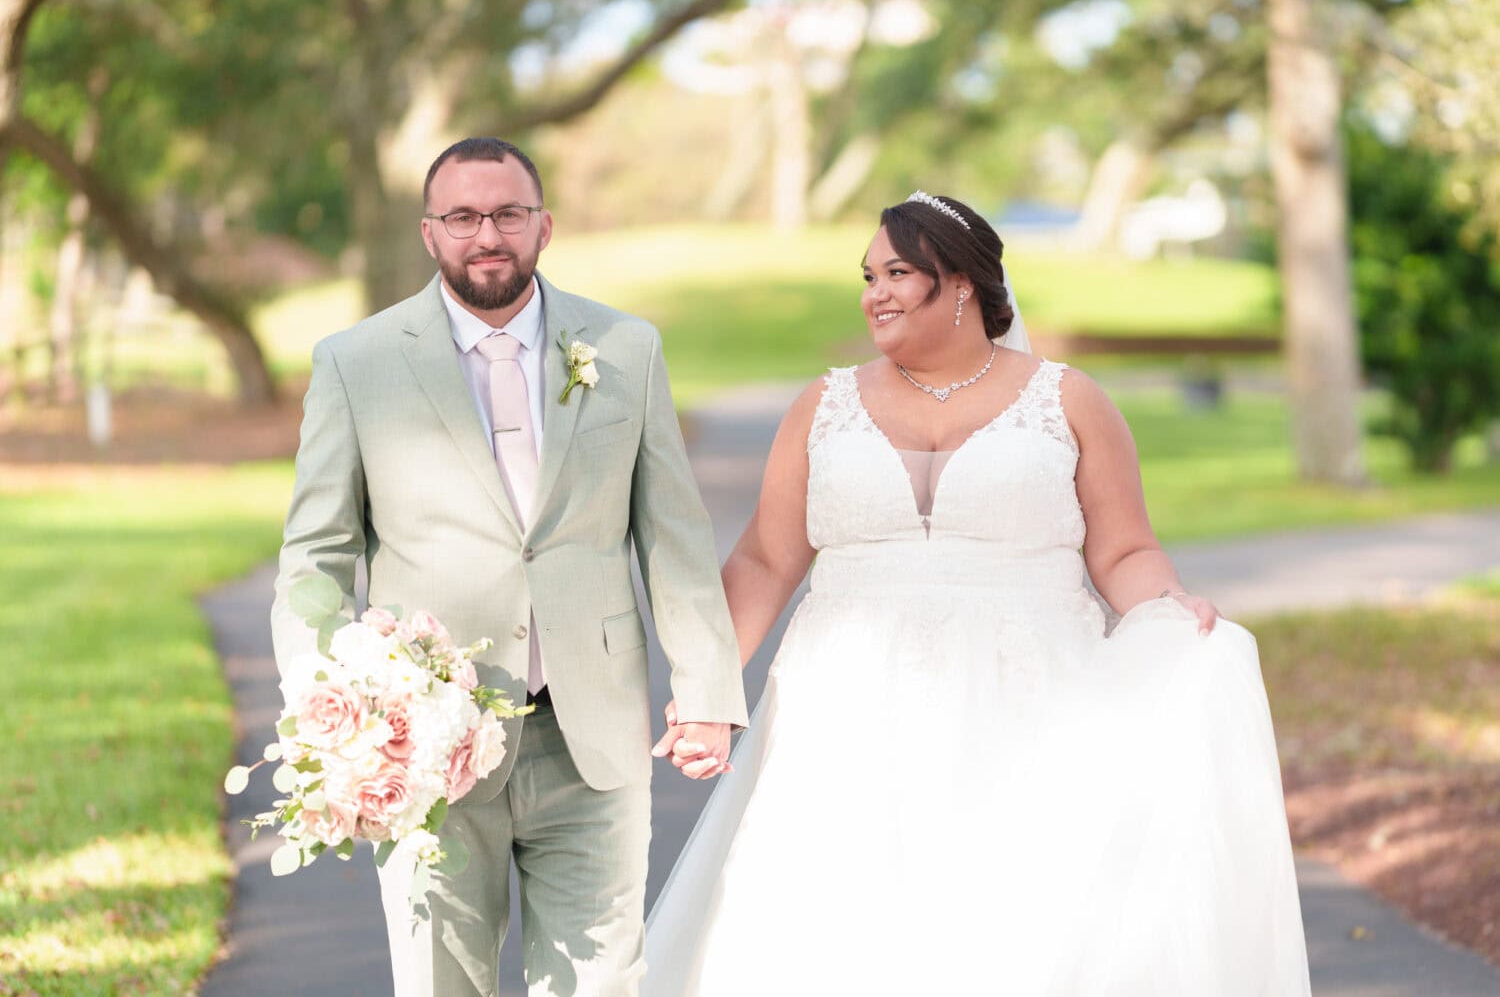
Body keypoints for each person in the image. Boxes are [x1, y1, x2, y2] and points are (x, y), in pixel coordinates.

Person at [642, 192, 1311, 995]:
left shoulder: (1069, 402)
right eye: (868, 276)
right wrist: (708, 691)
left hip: (1031, 702)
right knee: (841, 930)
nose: (874, 293)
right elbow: (761, 562)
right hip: (844, 714)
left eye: (897, 272)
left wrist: (1168, 606)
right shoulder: (823, 405)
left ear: (960, 283)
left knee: (1014, 930)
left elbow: (1126, 548)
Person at [269, 137, 748, 997]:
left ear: (543, 226)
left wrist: (707, 690)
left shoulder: (625, 347)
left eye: (507, 214)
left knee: (601, 980)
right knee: (442, 980)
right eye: (462, 216)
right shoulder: (356, 361)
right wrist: (328, 710)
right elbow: (317, 556)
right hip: (427, 742)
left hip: (590, 733)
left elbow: (672, 535)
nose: (485, 234)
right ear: (429, 233)